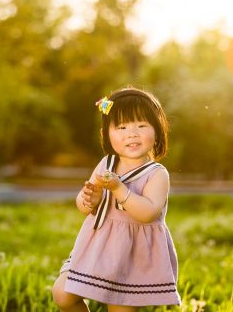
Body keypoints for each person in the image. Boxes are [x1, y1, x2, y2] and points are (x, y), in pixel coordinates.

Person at [52, 87, 181, 312]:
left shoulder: (157, 174)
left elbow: (148, 212)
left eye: (141, 125)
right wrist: (89, 200)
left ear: (157, 131)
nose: (132, 133)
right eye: (121, 127)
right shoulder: (106, 164)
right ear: (107, 134)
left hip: (132, 254)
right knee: (63, 294)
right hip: (98, 245)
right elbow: (85, 205)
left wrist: (120, 189)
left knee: (119, 309)